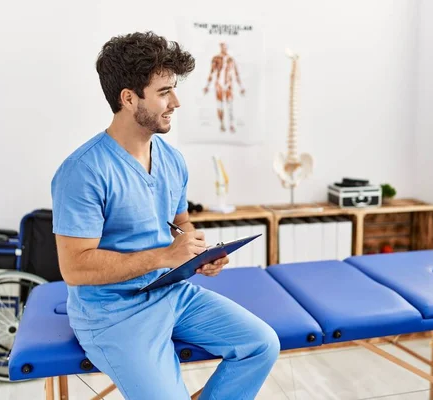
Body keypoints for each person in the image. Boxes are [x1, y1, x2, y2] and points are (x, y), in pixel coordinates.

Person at [51, 31, 280, 400]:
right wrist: (164, 257)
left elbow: (180, 222)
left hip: (172, 292)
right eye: (163, 92)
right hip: (111, 313)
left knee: (261, 344)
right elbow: (75, 267)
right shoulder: (83, 171)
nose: (176, 101)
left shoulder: (171, 159)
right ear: (128, 98)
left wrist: (195, 251)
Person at [203, 42, 245, 133]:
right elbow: (211, 72)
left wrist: (241, 87)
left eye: (225, 47)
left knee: (230, 105)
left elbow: (236, 73)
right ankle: (222, 123)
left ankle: (231, 124)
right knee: (220, 105)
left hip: (228, 85)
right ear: (220, 48)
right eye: (223, 47)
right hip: (219, 85)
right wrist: (207, 86)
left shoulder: (231, 59)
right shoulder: (216, 58)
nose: (224, 49)